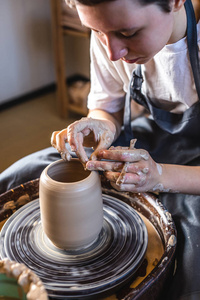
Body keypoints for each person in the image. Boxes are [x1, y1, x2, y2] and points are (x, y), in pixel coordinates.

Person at [0, 0, 200, 299]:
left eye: (128, 32)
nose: (112, 51)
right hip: (151, 140)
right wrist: (99, 125)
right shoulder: (109, 33)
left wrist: (160, 176)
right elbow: (106, 107)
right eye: (96, 31)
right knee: (23, 173)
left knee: (190, 252)